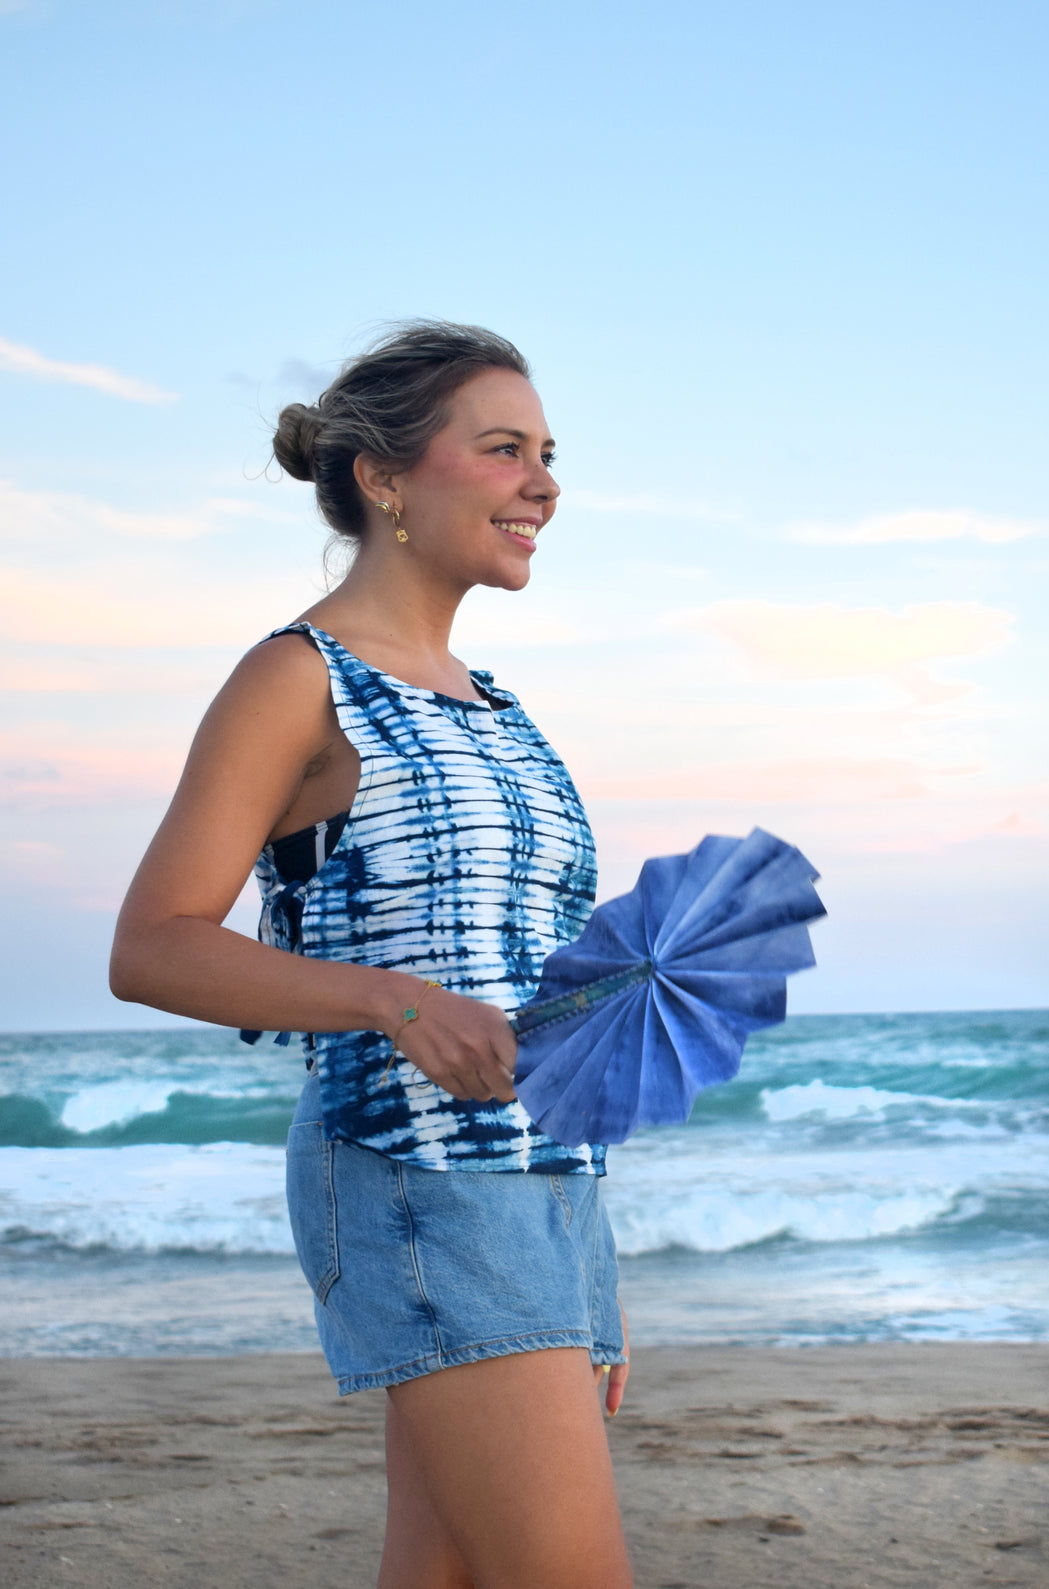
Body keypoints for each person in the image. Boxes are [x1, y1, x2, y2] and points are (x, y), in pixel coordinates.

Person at [110, 321, 633, 1588]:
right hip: (412, 1178)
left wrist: (590, 1228)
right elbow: (155, 944)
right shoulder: (298, 678)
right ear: (383, 478)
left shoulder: (499, 708)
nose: (543, 483)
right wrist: (396, 1001)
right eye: (504, 449)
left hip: (547, 1181)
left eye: (548, 453)